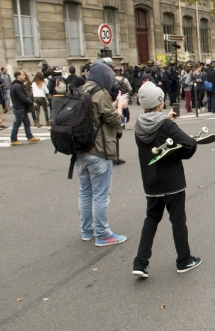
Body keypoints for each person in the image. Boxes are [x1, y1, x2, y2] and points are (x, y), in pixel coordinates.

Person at [132, 81, 201, 277]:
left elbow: (153, 134)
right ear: (160, 102)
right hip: (172, 181)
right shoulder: (166, 125)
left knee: (151, 219)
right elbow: (190, 144)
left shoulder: (138, 125)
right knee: (178, 220)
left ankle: (140, 263)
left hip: (150, 181)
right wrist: (178, 153)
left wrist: (167, 121)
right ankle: (184, 260)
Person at [77, 63, 129, 245]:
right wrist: (120, 106)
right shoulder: (101, 93)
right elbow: (115, 120)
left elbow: (97, 114)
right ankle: (102, 234)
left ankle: (87, 230)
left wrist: (113, 104)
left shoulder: (81, 90)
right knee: (100, 194)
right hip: (98, 150)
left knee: (85, 192)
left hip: (79, 150)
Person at [9, 70, 41, 146]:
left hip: (21, 107)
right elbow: (23, 97)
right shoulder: (17, 86)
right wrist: (31, 102)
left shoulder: (17, 85)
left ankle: (30, 136)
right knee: (17, 123)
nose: (24, 76)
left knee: (27, 122)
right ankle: (13, 139)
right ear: (18, 76)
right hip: (19, 107)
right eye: (23, 75)